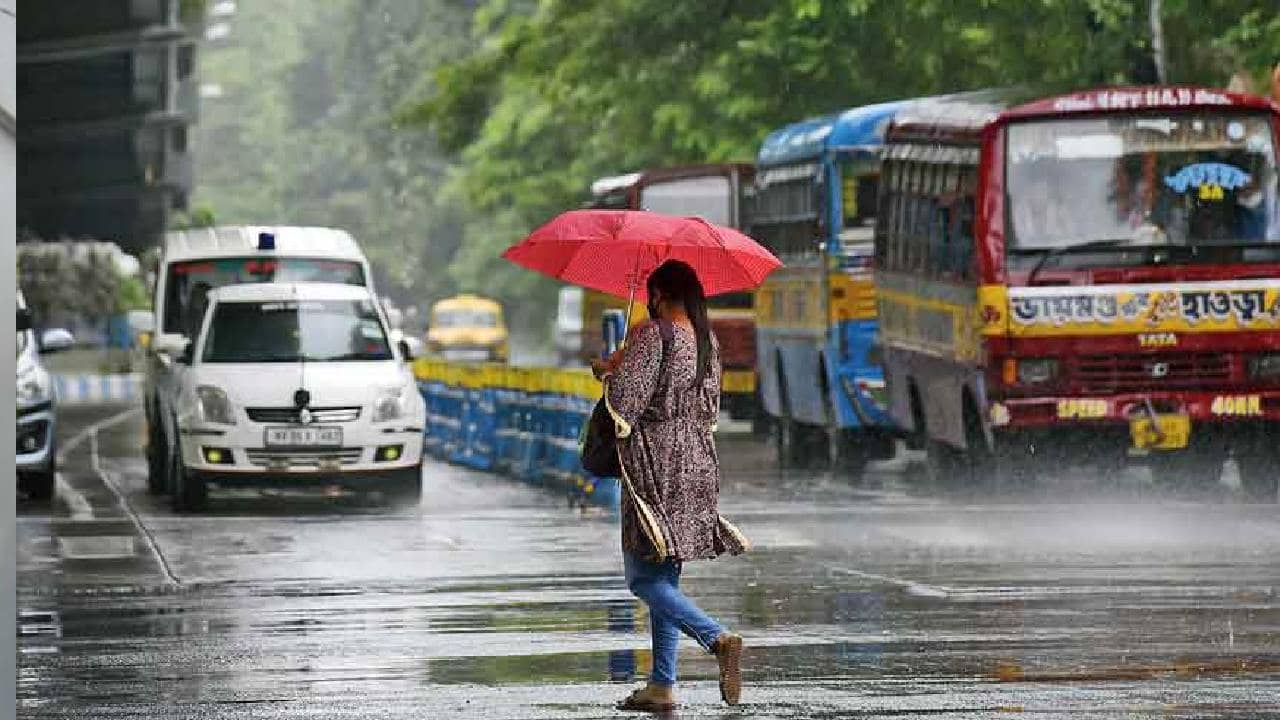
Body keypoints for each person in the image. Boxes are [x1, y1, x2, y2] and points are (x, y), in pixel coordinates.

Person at [592, 259, 748, 712]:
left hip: (654, 463)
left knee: (641, 576)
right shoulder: (706, 340)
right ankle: (661, 683)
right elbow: (710, 406)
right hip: (697, 460)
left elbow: (626, 405)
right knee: (664, 573)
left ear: (658, 293)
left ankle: (717, 638)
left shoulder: (653, 334)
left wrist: (611, 371)